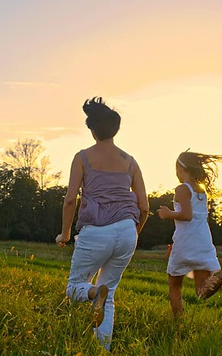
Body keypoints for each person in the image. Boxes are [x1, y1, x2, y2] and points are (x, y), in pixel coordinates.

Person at [55, 96, 149, 350]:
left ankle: (94, 293)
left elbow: (70, 201)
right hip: (127, 231)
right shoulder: (130, 162)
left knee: (75, 287)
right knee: (110, 295)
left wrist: (64, 234)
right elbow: (144, 207)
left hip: (96, 232)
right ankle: (102, 349)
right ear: (116, 129)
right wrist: (134, 233)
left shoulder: (83, 157)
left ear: (92, 130)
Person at [157, 150, 222, 318]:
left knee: (174, 286)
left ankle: (178, 323)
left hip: (186, 241)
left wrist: (168, 213)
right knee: (202, 291)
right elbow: (197, 218)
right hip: (203, 240)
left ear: (181, 169)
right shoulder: (202, 191)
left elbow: (187, 216)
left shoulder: (182, 189)